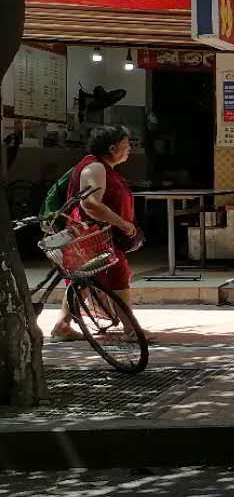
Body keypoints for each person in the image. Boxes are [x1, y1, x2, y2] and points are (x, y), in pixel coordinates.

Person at [50, 124, 142, 341]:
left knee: (83, 279)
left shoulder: (100, 167)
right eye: (126, 144)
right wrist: (123, 224)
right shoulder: (95, 168)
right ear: (112, 148)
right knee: (117, 275)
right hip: (93, 235)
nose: (129, 149)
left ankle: (62, 326)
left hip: (91, 235)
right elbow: (90, 204)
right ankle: (131, 330)